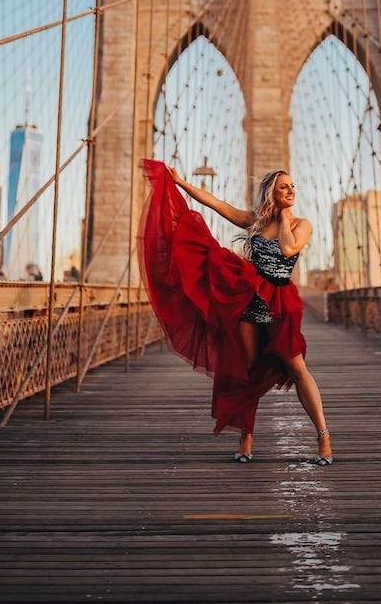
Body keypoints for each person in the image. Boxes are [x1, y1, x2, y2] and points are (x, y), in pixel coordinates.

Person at [137, 160, 333, 465]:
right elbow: (217, 204)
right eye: (284, 187)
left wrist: (283, 215)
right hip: (250, 298)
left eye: (293, 186)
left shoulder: (300, 223)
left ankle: (323, 437)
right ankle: (246, 435)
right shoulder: (255, 221)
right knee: (247, 366)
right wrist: (181, 183)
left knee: (296, 367)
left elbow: (289, 249)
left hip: (280, 300)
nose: (291, 190)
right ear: (271, 192)